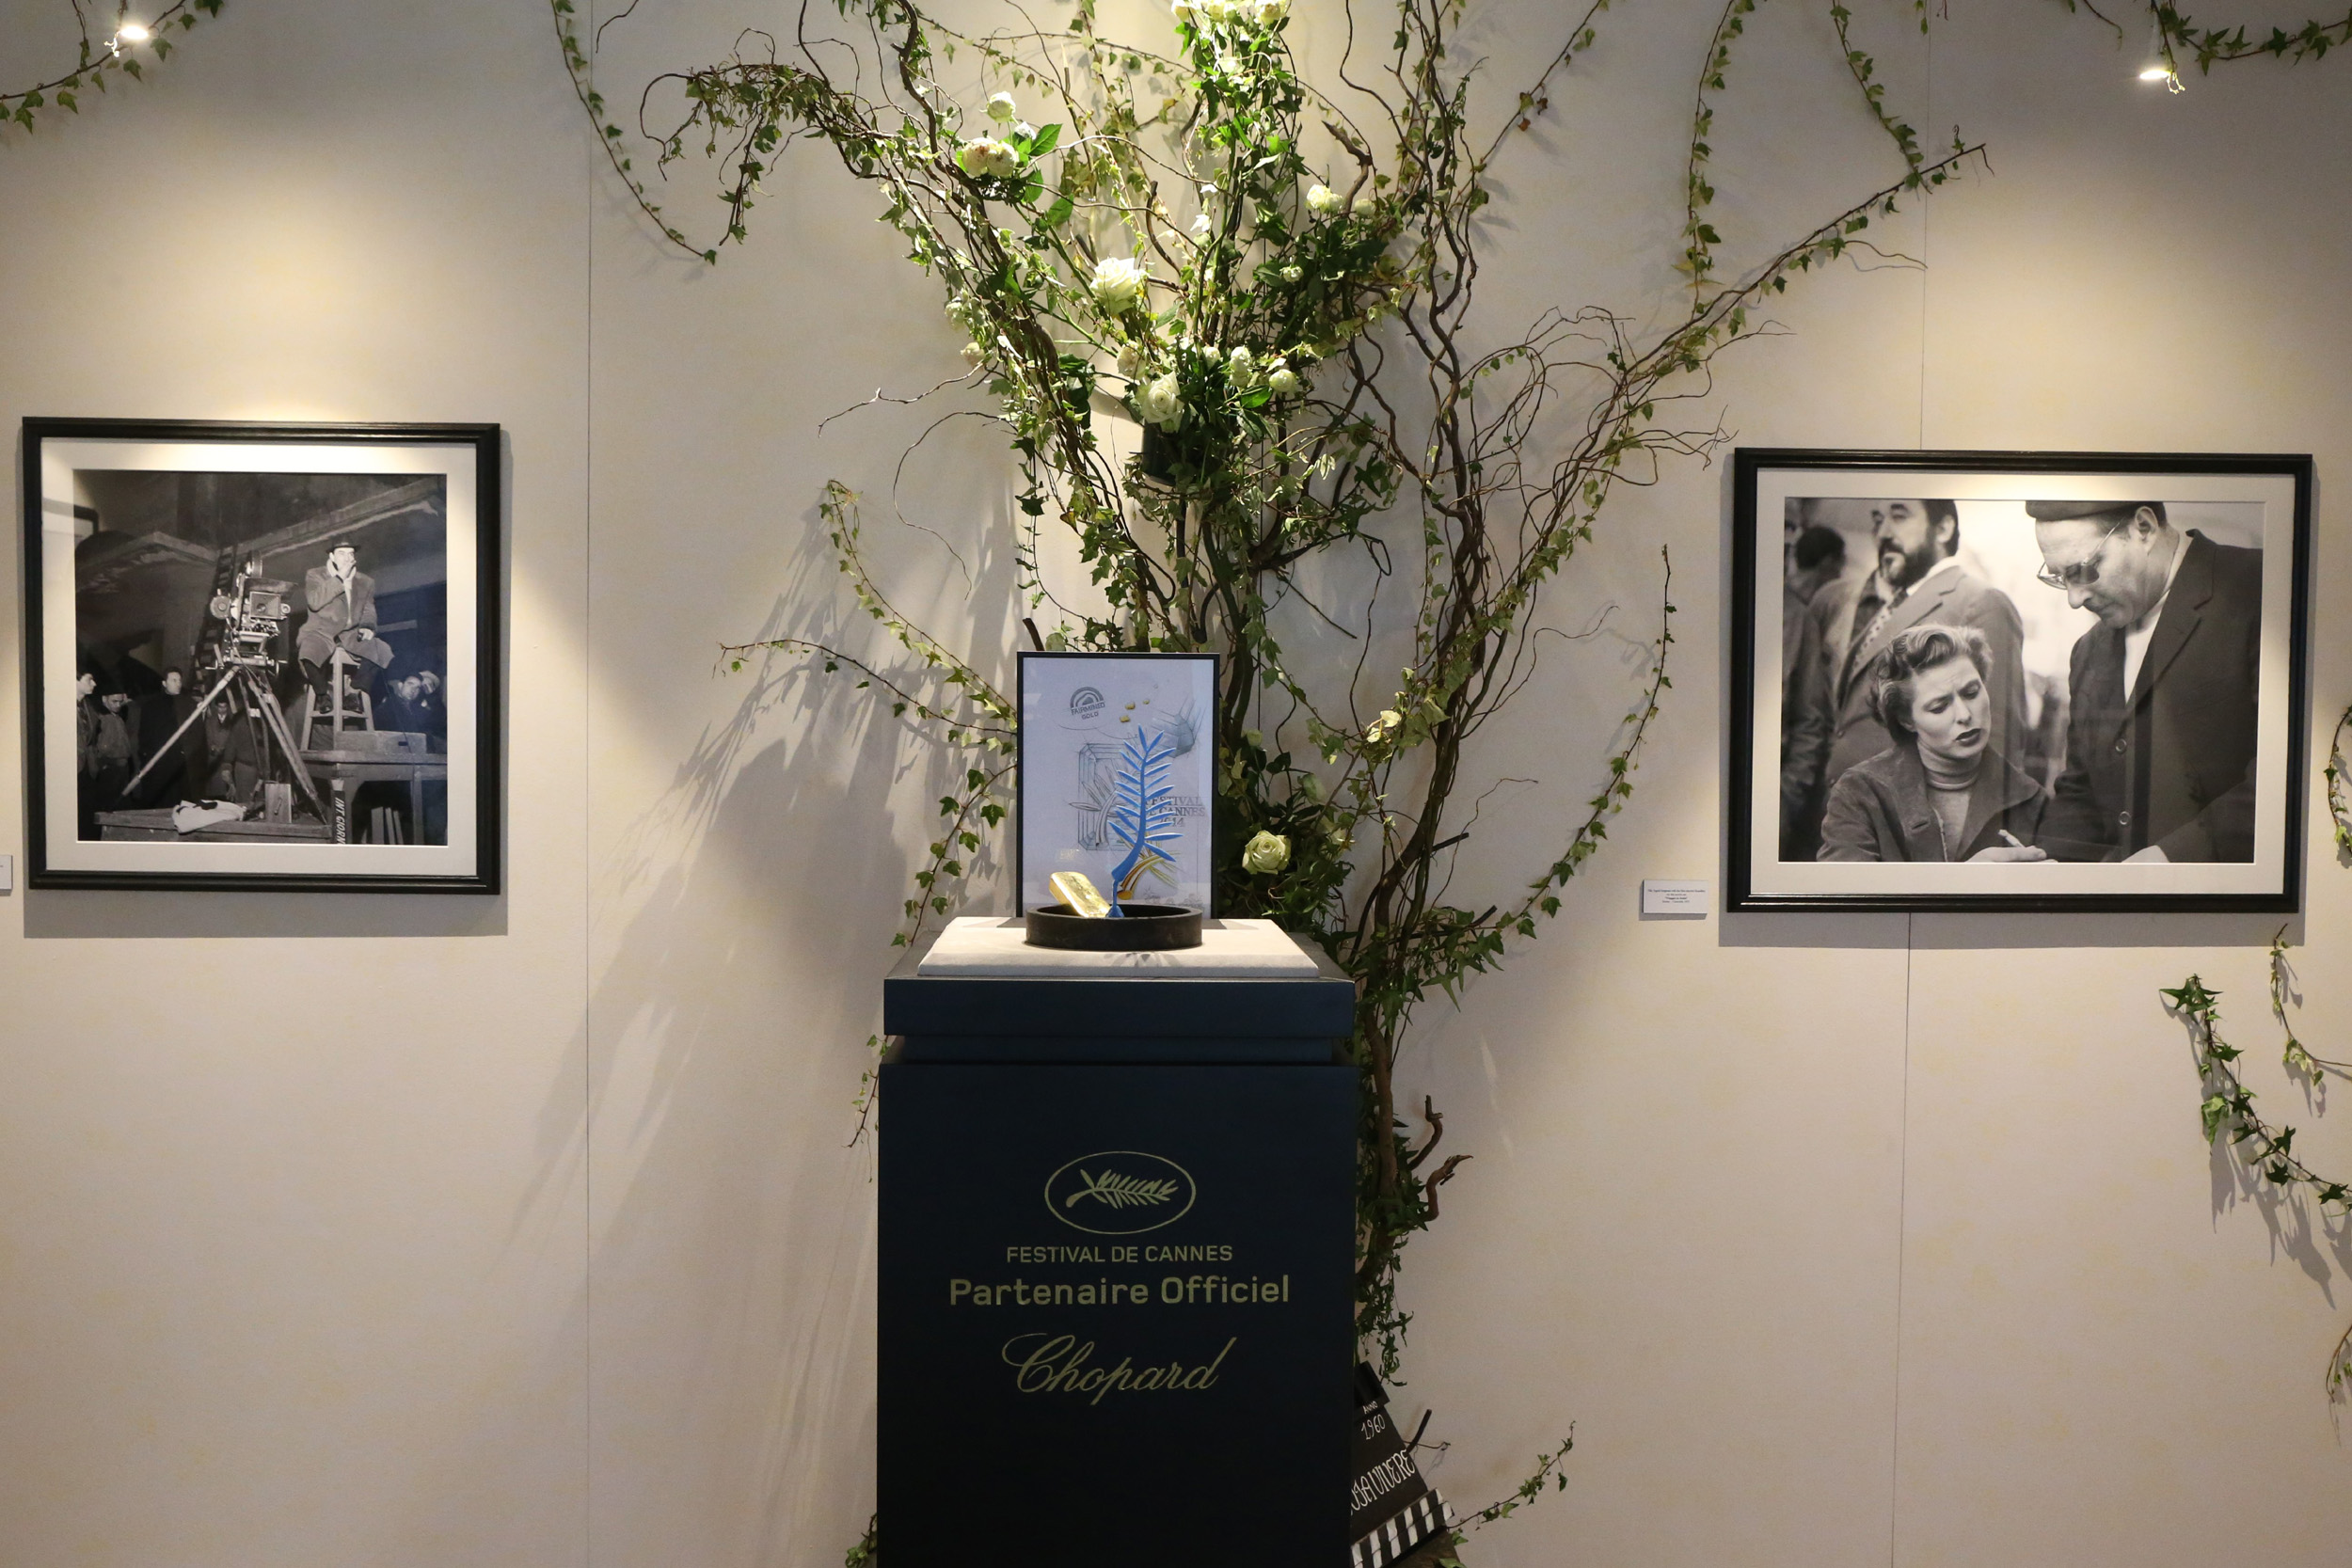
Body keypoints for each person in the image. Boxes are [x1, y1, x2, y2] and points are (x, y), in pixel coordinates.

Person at [1782, 499, 2026, 858]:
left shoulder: (1980, 602)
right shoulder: (1865, 601)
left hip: (1905, 838)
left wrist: (1974, 858)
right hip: (1830, 824)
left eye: (1899, 516)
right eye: (1877, 519)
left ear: (1943, 528)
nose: (1883, 532)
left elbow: (1998, 741)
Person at [2027, 500, 2262, 863]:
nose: (2075, 599)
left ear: (2144, 528)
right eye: (2060, 578)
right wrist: (2042, 863)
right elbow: (2082, 790)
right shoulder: (2088, 652)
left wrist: (2170, 858)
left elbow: (2287, 772)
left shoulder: (2260, 586)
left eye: (2083, 570)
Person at [1819, 626, 2051, 863]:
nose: (1964, 715)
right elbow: (1846, 885)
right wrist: (1966, 879)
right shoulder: (1860, 793)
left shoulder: (2031, 798)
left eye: (1971, 693)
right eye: (1939, 707)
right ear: (1907, 720)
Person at [299, 542, 394, 707]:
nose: (347, 558)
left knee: (382, 650)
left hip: (351, 634)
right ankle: (322, 696)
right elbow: (314, 602)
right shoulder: (315, 575)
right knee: (308, 652)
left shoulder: (365, 581)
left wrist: (367, 626)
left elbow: (368, 608)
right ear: (332, 556)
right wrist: (340, 578)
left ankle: (353, 692)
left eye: (350, 554)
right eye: (341, 553)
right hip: (322, 632)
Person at [132, 667, 204, 806]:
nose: (178, 684)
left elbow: (197, 734)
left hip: (182, 763)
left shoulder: (190, 704)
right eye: (174, 680)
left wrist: (189, 753)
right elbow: (145, 736)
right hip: (160, 763)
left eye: (179, 680)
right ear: (164, 683)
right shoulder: (151, 706)